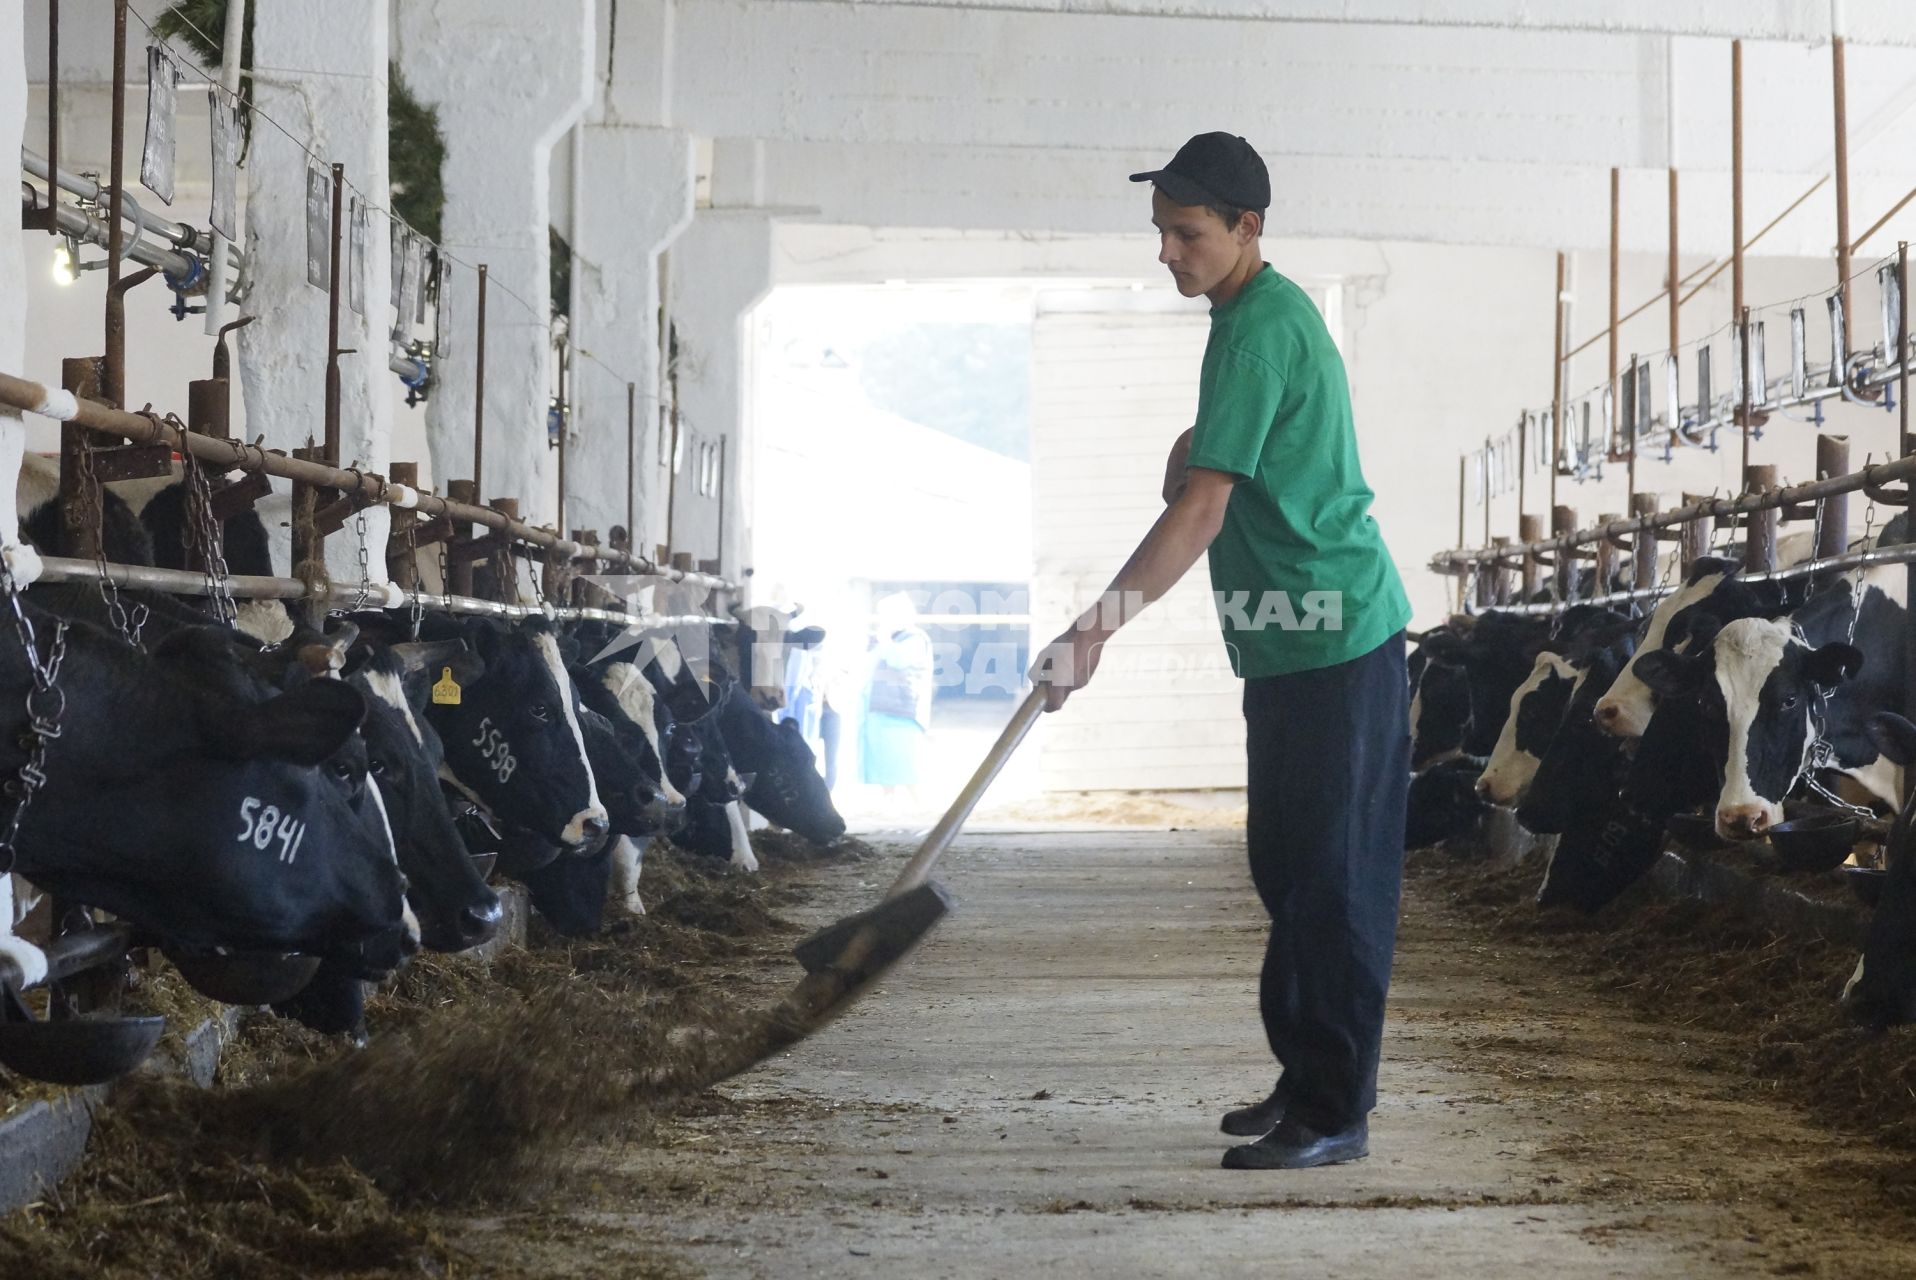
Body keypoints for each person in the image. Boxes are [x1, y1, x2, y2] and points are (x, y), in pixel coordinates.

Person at [1031, 132, 1412, 1171]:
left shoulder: (1256, 329)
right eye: (1159, 230)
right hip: (1292, 647)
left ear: (1248, 228)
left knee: (1330, 886)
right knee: (1287, 870)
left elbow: (1200, 509)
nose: (1166, 252)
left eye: (1185, 232)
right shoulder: (1250, 319)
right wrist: (1199, 451)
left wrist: (1091, 629)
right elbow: (1216, 464)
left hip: (1335, 638)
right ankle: (1305, 1078)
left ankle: (1335, 1110)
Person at [860, 591, 935, 803]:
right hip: (879, 708)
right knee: (883, 759)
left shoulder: (915, 639)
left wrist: (884, 641)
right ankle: (888, 799)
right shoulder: (887, 639)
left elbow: (898, 660)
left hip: (902, 710)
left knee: (904, 760)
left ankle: (921, 803)